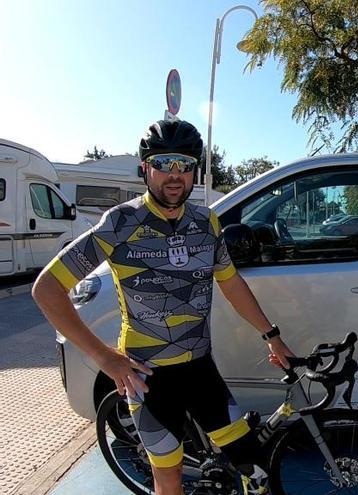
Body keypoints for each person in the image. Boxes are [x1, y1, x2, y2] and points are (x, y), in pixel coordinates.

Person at [31, 119, 295, 495]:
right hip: (148, 380)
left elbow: (231, 282)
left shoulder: (207, 222)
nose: (175, 175)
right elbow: (47, 290)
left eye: (185, 165)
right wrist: (105, 358)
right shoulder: (120, 223)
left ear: (195, 170)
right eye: (164, 163)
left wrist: (271, 336)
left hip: (202, 372)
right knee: (169, 480)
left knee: (254, 467)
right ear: (145, 168)